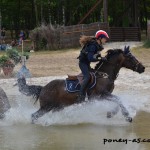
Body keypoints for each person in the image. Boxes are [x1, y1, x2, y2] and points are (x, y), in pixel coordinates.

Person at [77, 30, 109, 102]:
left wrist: (100, 57)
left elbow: (94, 56)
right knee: (87, 77)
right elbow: (90, 58)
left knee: (95, 75)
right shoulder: (93, 45)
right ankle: (80, 95)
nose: (106, 40)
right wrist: (101, 59)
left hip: (87, 63)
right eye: (105, 38)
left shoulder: (97, 45)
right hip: (83, 63)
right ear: (100, 38)